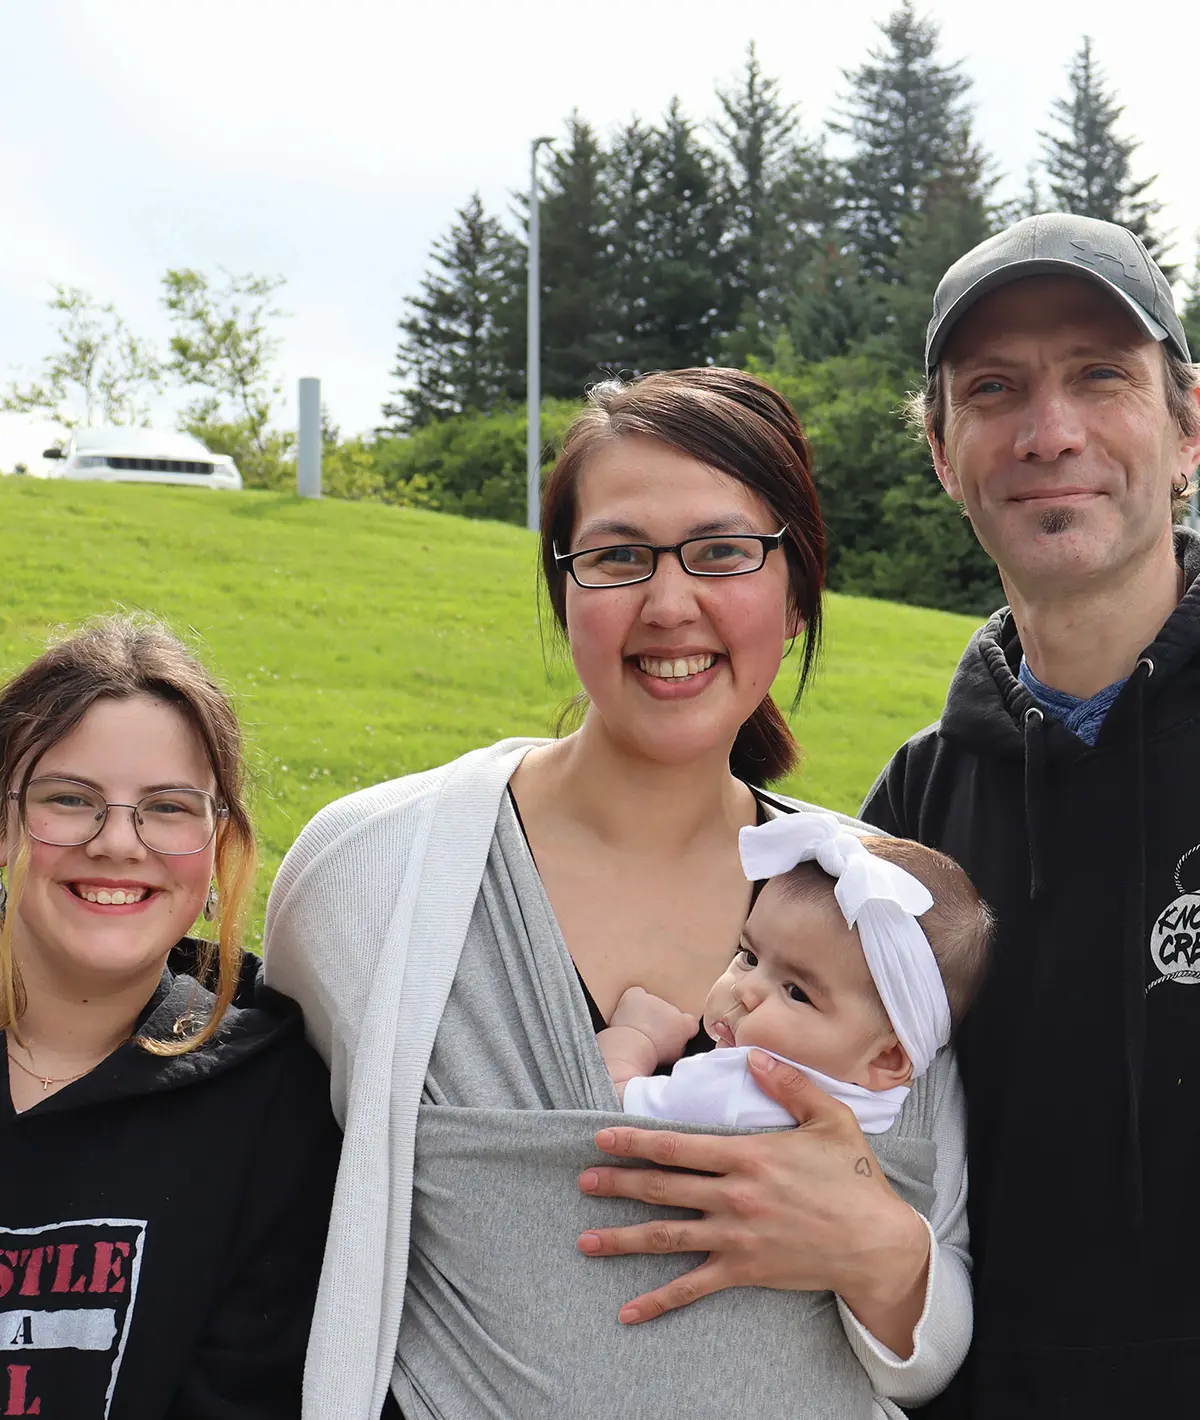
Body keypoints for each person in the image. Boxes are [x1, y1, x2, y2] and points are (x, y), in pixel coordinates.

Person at [265, 367, 974, 1420]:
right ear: (564, 590)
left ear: (795, 596)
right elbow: (277, 1223)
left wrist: (877, 1246)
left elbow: (936, 1320)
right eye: (618, 555)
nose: (669, 601)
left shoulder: (880, 903)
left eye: (724, 551)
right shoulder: (370, 872)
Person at [860, 212, 1200, 1418]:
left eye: (1100, 377)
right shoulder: (907, 813)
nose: (1049, 432)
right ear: (947, 457)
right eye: (993, 389)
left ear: (1187, 430)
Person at [0, 615, 341, 1420]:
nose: (119, 841)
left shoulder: (273, 1107)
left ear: (218, 845)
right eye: (70, 799)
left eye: (167, 808)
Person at [601, 815, 992, 1143]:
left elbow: (604, 1107)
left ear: (887, 1057)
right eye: (749, 957)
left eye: (796, 992)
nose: (745, 989)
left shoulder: (734, 1086)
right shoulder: (886, 1119)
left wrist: (636, 1037)